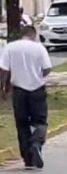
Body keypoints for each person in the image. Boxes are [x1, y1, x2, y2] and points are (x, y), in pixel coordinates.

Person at [0, 26, 51, 169]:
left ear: (21, 35)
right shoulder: (39, 48)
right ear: (33, 35)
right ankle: (36, 142)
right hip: (37, 89)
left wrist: (3, 87)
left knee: (22, 124)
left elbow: (3, 69)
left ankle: (28, 159)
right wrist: (38, 76)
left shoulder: (10, 47)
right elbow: (47, 68)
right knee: (40, 121)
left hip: (19, 91)